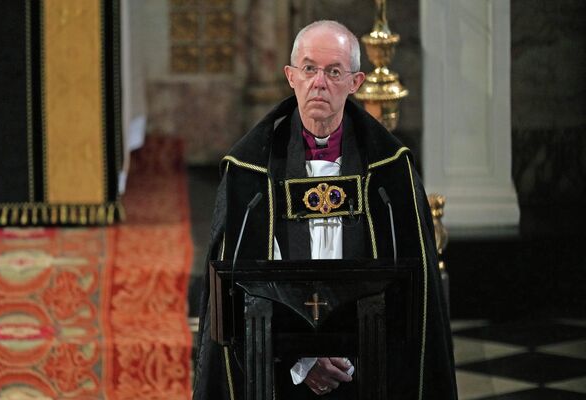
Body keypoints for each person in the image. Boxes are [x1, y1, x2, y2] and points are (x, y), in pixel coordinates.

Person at [193, 20, 458, 400]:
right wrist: (304, 359)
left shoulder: (390, 171)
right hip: (278, 369)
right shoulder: (251, 173)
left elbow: (412, 290)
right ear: (290, 77)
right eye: (309, 68)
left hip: (368, 367)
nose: (320, 82)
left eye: (334, 71)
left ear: (356, 83)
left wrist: (349, 352)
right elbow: (241, 286)